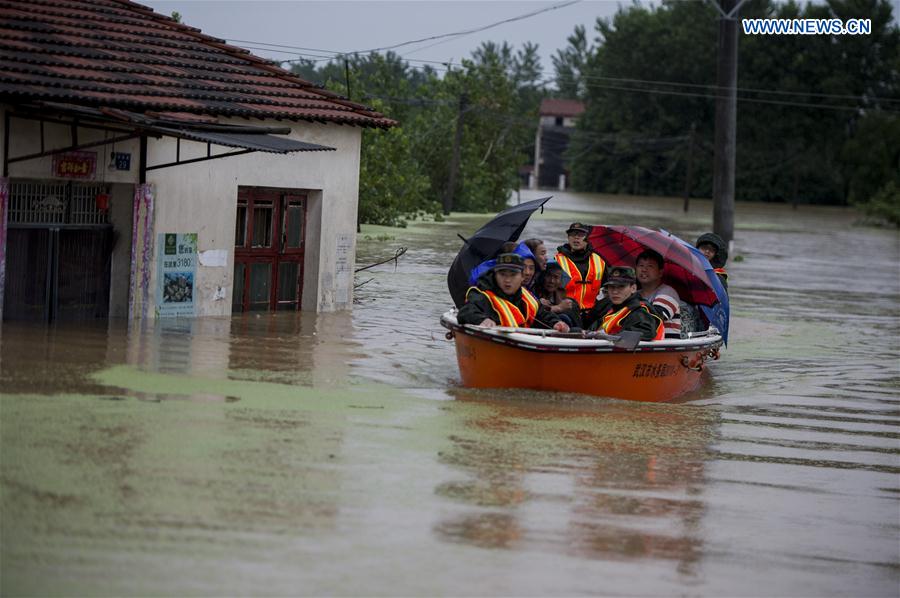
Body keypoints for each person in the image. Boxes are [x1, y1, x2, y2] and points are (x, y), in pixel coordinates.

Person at [457, 253, 569, 332]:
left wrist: (556, 323)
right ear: (495, 275)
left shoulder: (527, 296)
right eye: (502, 274)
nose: (507, 280)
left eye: (513, 275)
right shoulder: (482, 295)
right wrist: (482, 320)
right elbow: (466, 311)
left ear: (522, 277)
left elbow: (541, 314)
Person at [583, 265, 664, 341]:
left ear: (633, 288)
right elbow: (591, 331)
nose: (615, 292)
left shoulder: (639, 310)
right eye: (611, 287)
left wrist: (610, 336)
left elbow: (646, 332)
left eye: (621, 287)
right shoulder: (611, 310)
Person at [555, 222, 606, 315]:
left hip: (592, 312)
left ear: (588, 238)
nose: (576, 237)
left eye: (581, 234)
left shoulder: (600, 261)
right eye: (572, 234)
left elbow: (608, 287)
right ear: (568, 238)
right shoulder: (557, 260)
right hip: (567, 312)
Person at [635, 249, 682, 339]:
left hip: (665, 345)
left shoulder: (668, 292)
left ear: (660, 272)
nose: (644, 270)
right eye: (641, 265)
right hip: (641, 344)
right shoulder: (634, 294)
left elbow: (655, 318)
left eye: (650, 266)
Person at [534, 261, 581, 328]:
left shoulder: (564, 297)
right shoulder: (534, 293)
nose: (552, 281)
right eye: (548, 276)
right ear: (542, 276)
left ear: (561, 280)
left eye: (556, 277)